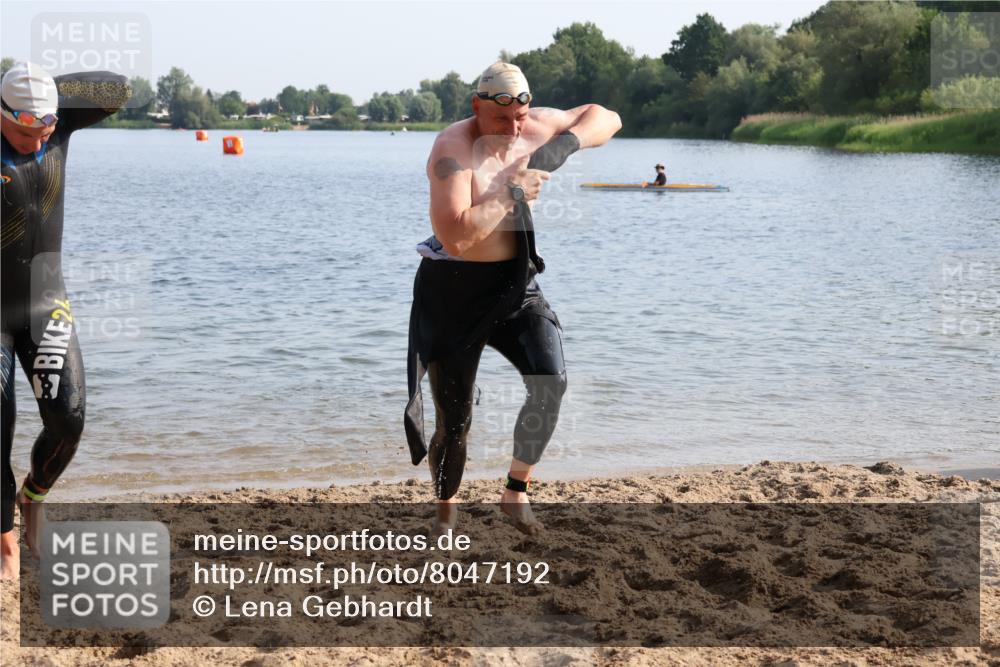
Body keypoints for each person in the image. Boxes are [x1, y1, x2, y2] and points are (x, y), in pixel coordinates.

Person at [404, 62, 620, 535]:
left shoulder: (533, 128)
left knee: (550, 381)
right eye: (501, 120)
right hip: (453, 292)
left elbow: (605, 116)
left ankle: (515, 493)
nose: (513, 128)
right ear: (476, 107)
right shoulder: (451, 151)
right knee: (454, 421)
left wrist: (558, 149)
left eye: (520, 118)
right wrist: (509, 193)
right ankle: (445, 514)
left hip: (515, 284)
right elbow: (456, 235)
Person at [1, 62, 131, 579]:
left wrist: (45, 94)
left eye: (45, 131)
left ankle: (34, 496)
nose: (36, 143)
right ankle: (3, 535)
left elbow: (118, 88)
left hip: (43, 300)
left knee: (68, 420)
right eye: (21, 132)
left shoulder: (60, 126)